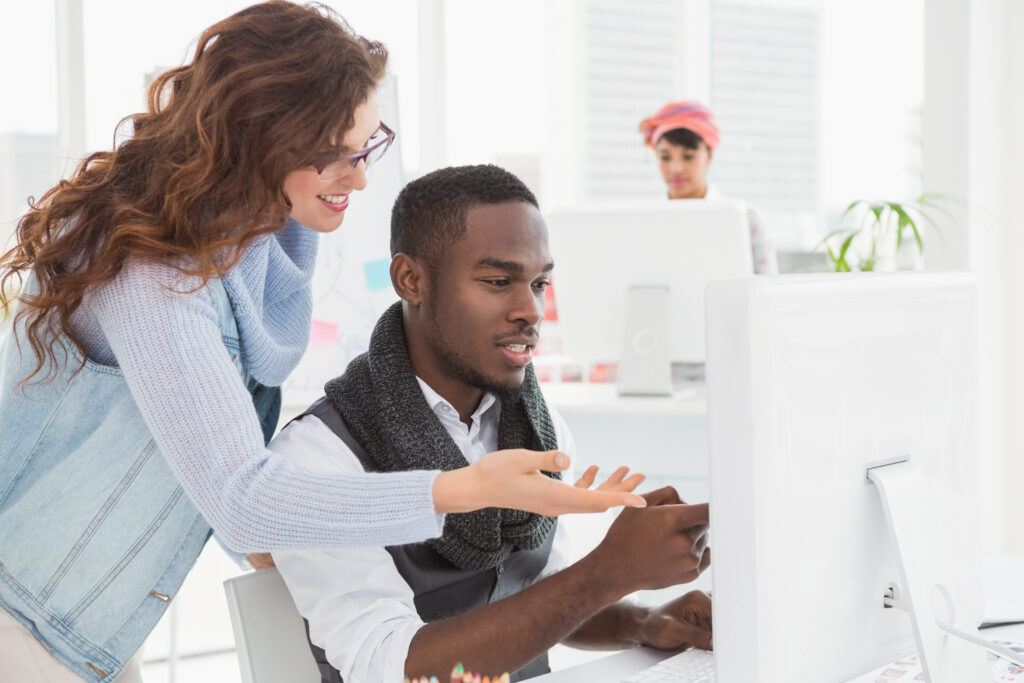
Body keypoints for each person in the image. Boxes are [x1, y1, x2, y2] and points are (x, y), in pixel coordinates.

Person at [0, 4, 645, 681]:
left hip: (96, 619)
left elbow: (204, 463)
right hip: (22, 614)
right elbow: (242, 500)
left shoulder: (255, 257)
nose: (362, 177)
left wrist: (345, 580)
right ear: (265, 140)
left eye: (369, 144)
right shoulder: (154, 274)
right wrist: (462, 488)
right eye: (338, 154)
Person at [270, 165, 713, 682]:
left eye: (540, 282)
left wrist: (644, 621)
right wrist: (609, 572)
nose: (530, 309)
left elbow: (539, 594)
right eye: (498, 282)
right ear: (410, 280)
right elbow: (390, 668)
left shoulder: (535, 427)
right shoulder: (316, 458)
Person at [639, 100, 778, 274]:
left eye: (688, 156)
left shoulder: (747, 218)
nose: (676, 168)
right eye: (665, 157)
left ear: (710, 155)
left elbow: (765, 293)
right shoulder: (643, 222)